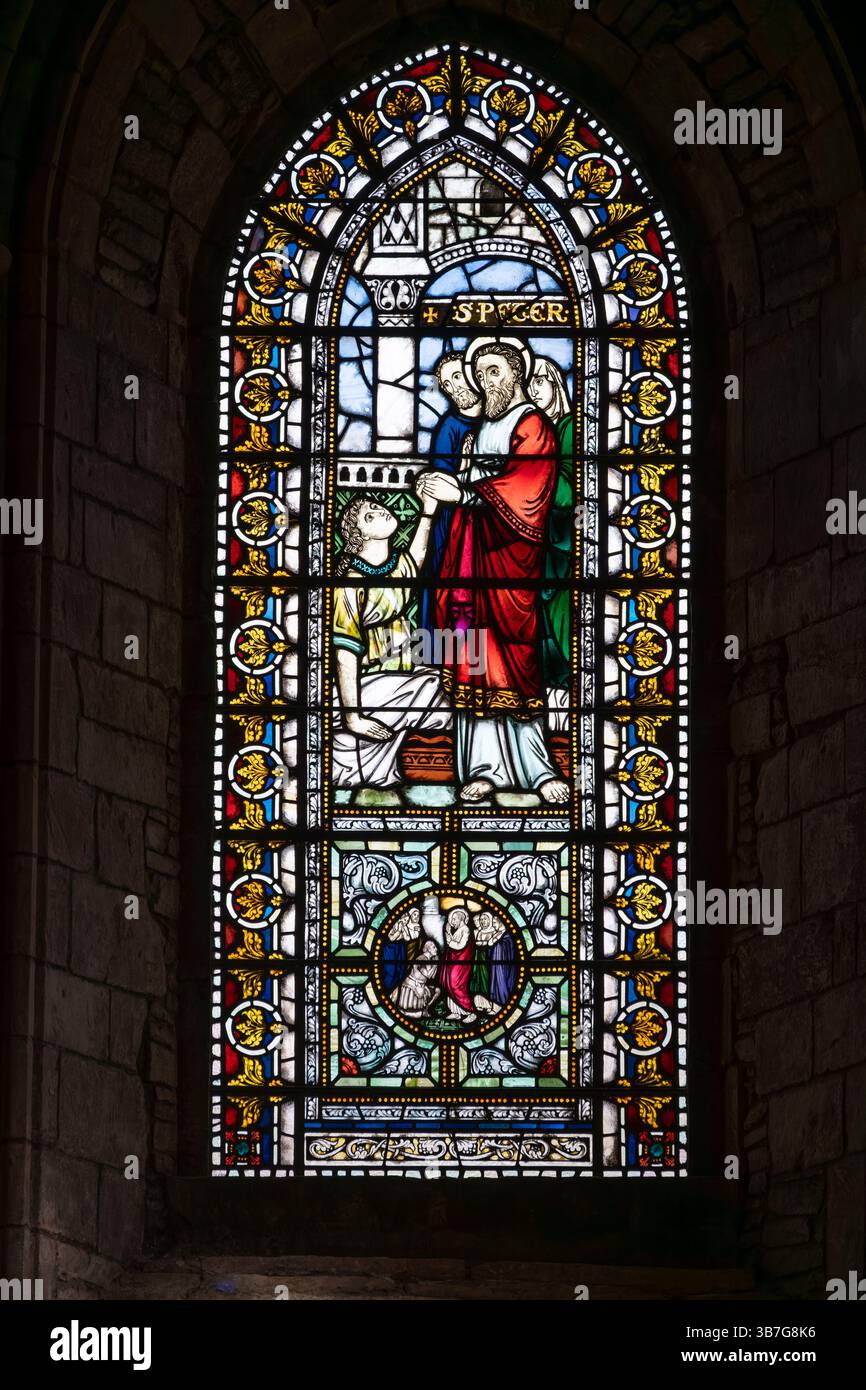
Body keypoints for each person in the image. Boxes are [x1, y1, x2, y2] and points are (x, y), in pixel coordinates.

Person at [416, 338, 569, 804]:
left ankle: (538, 771)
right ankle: (480, 768)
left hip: (511, 564)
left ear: (516, 374)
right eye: (480, 375)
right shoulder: (481, 427)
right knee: (472, 659)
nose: (486, 383)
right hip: (471, 558)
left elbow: (529, 486)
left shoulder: (532, 424)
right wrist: (446, 488)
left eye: (495, 373)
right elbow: (472, 483)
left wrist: (461, 494)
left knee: (516, 663)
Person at [331, 493, 450, 788]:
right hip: (368, 683)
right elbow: (345, 651)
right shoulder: (351, 581)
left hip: (402, 675)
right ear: (359, 535)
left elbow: (417, 558)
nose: (380, 511)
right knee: (441, 690)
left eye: (377, 506)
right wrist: (353, 717)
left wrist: (428, 510)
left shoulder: (397, 567)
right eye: (368, 515)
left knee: (453, 688)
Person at [418, 353, 483, 639]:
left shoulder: (503, 420)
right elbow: (440, 475)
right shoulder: (449, 426)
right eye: (446, 384)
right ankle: (438, 653)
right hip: (451, 519)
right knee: (444, 578)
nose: (453, 388)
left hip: (489, 518)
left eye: (457, 377)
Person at [528, 356, 575, 689]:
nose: (534, 390)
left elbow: (572, 489)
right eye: (529, 384)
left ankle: (570, 675)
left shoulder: (571, 427)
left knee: (561, 613)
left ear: (557, 385)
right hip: (536, 539)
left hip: (565, 539)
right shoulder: (533, 432)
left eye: (540, 382)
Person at [438, 907, 476, 1021]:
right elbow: (451, 945)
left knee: (456, 985)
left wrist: (449, 938)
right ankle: (455, 1011)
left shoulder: (466, 930)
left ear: (461, 919)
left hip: (461, 963)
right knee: (449, 984)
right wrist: (448, 933)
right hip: (453, 961)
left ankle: (471, 1012)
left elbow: (460, 946)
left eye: (454, 919)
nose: (452, 921)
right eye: (452, 919)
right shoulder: (457, 930)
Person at [391, 939, 440, 1018]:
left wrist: (435, 964)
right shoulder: (422, 958)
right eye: (434, 947)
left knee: (437, 991)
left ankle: (426, 1009)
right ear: (428, 949)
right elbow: (428, 975)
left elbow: (432, 976)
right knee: (408, 1011)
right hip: (412, 987)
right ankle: (420, 1013)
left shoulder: (429, 960)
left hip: (421, 986)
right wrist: (435, 964)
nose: (436, 949)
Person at [380, 906, 421, 994]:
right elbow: (391, 938)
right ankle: (385, 990)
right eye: (404, 921)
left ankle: (392, 989)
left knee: (401, 970)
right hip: (391, 949)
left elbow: (406, 938)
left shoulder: (405, 928)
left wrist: (404, 930)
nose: (405, 922)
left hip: (400, 947)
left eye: (406, 921)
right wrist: (399, 930)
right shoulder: (393, 928)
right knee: (391, 970)